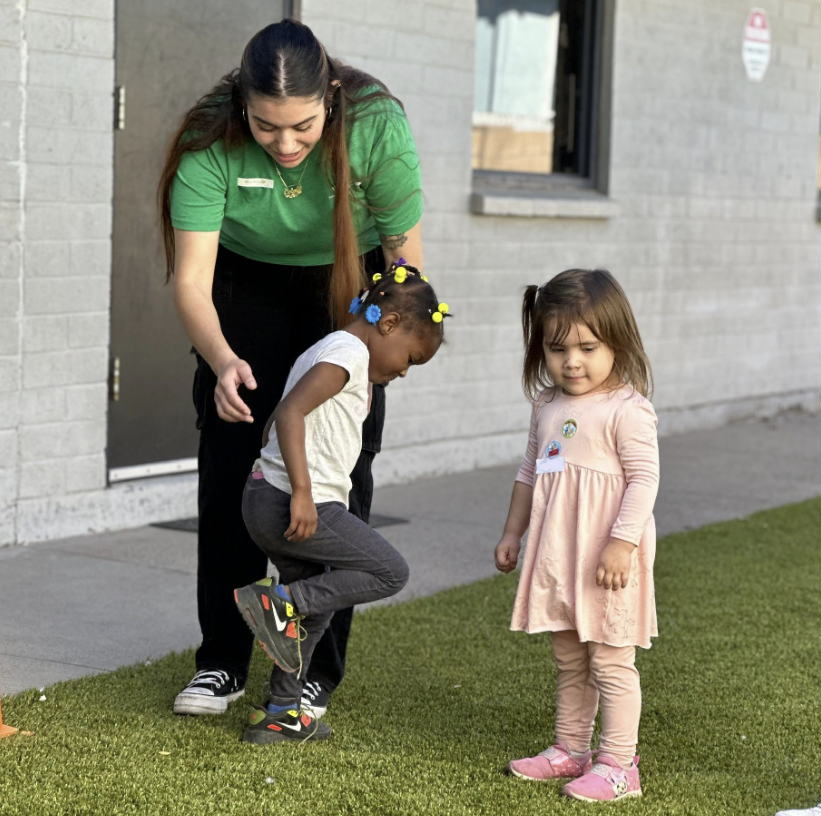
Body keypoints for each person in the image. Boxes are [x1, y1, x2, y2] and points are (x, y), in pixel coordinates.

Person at [158, 19, 424, 716]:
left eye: (302, 127)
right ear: (242, 105)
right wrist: (220, 362)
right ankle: (222, 662)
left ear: (330, 100)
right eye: (266, 126)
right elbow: (191, 282)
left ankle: (311, 674)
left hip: (349, 286)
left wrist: (393, 339)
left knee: (339, 478)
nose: (284, 144)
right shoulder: (207, 141)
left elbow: (404, 264)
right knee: (230, 471)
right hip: (244, 291)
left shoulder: (376, 126)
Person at [233, 264, 449, 743]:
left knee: (319, 609)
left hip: (270, 496)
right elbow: (290, 412)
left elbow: (276, 419)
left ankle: (282, 712)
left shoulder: (329, 349)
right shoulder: (349, 353)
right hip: (293, 499)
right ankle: (279, 602)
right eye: (410, 358)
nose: (404, 371)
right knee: (389, 571)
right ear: (388, 324)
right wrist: (303, 493)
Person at [494, 269, 659, 803]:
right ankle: (570, 748)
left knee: (610, 660)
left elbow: (644, 479)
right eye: (558, 348)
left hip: (608, 559)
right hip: (559, 554)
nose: (572, 361)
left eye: (588, 347)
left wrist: (622, 542)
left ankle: (619, 765)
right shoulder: (546, 405)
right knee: (569, 656)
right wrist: (513, 533)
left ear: (618, 341)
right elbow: (529, 472)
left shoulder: (627, 410)